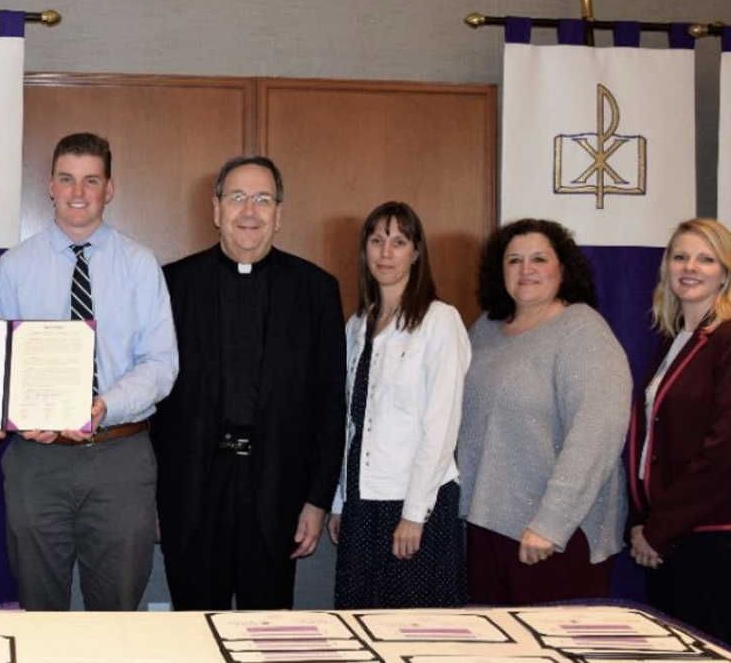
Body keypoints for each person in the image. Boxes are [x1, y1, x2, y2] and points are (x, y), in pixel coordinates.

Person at [0, 132, 178, 611]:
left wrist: (103, 405)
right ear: (49, 186)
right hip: (37, 461)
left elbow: (162, 363)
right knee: (39, 607)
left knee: (117, 609)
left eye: (90, 180)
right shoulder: (16, 266)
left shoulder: (140, 265)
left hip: (118, 455)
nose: (77, 192)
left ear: (109, 188)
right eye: (66, 179)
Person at [151, 156, 345, 610]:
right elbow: (154, 403)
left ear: (279, 214)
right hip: (193, 493)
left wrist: (317, 500)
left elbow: (330, 405)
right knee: (196, 631)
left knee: (267, 632)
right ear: (215, 209)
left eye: (262, 199)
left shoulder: (316, 291)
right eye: (237, 197)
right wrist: (155, 500)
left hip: (277, 491)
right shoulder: (172, 285)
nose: (249, 211)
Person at [458, 218, 630, 605]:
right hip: (486, 525)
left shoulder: (583, 332)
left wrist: (551, 523)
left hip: (552, 537)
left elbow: (597, 435)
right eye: (514, 260)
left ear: (563, 268)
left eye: (539, 258)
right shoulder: (485, 329)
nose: (526, 269)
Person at [327, 202, 468, 609]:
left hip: (416, 501)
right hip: (361, 499)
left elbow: (440, 426)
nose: (386, 253)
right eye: (376, 241)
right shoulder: (358, 324)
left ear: (416, 252)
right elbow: (352, 425)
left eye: (399, 242)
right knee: (361, 623)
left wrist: (414, 513)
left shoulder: (439, 320)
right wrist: (341, 501)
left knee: (415, 630)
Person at [627, 218, 731, 641]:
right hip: (670, 538)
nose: (690, 267)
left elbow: (723, 450)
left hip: (709, 539)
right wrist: (642, 523)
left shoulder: (726, 339)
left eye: (706, 259)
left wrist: (658, 529)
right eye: (680, 256)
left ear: (725, 272)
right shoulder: (675, 339)